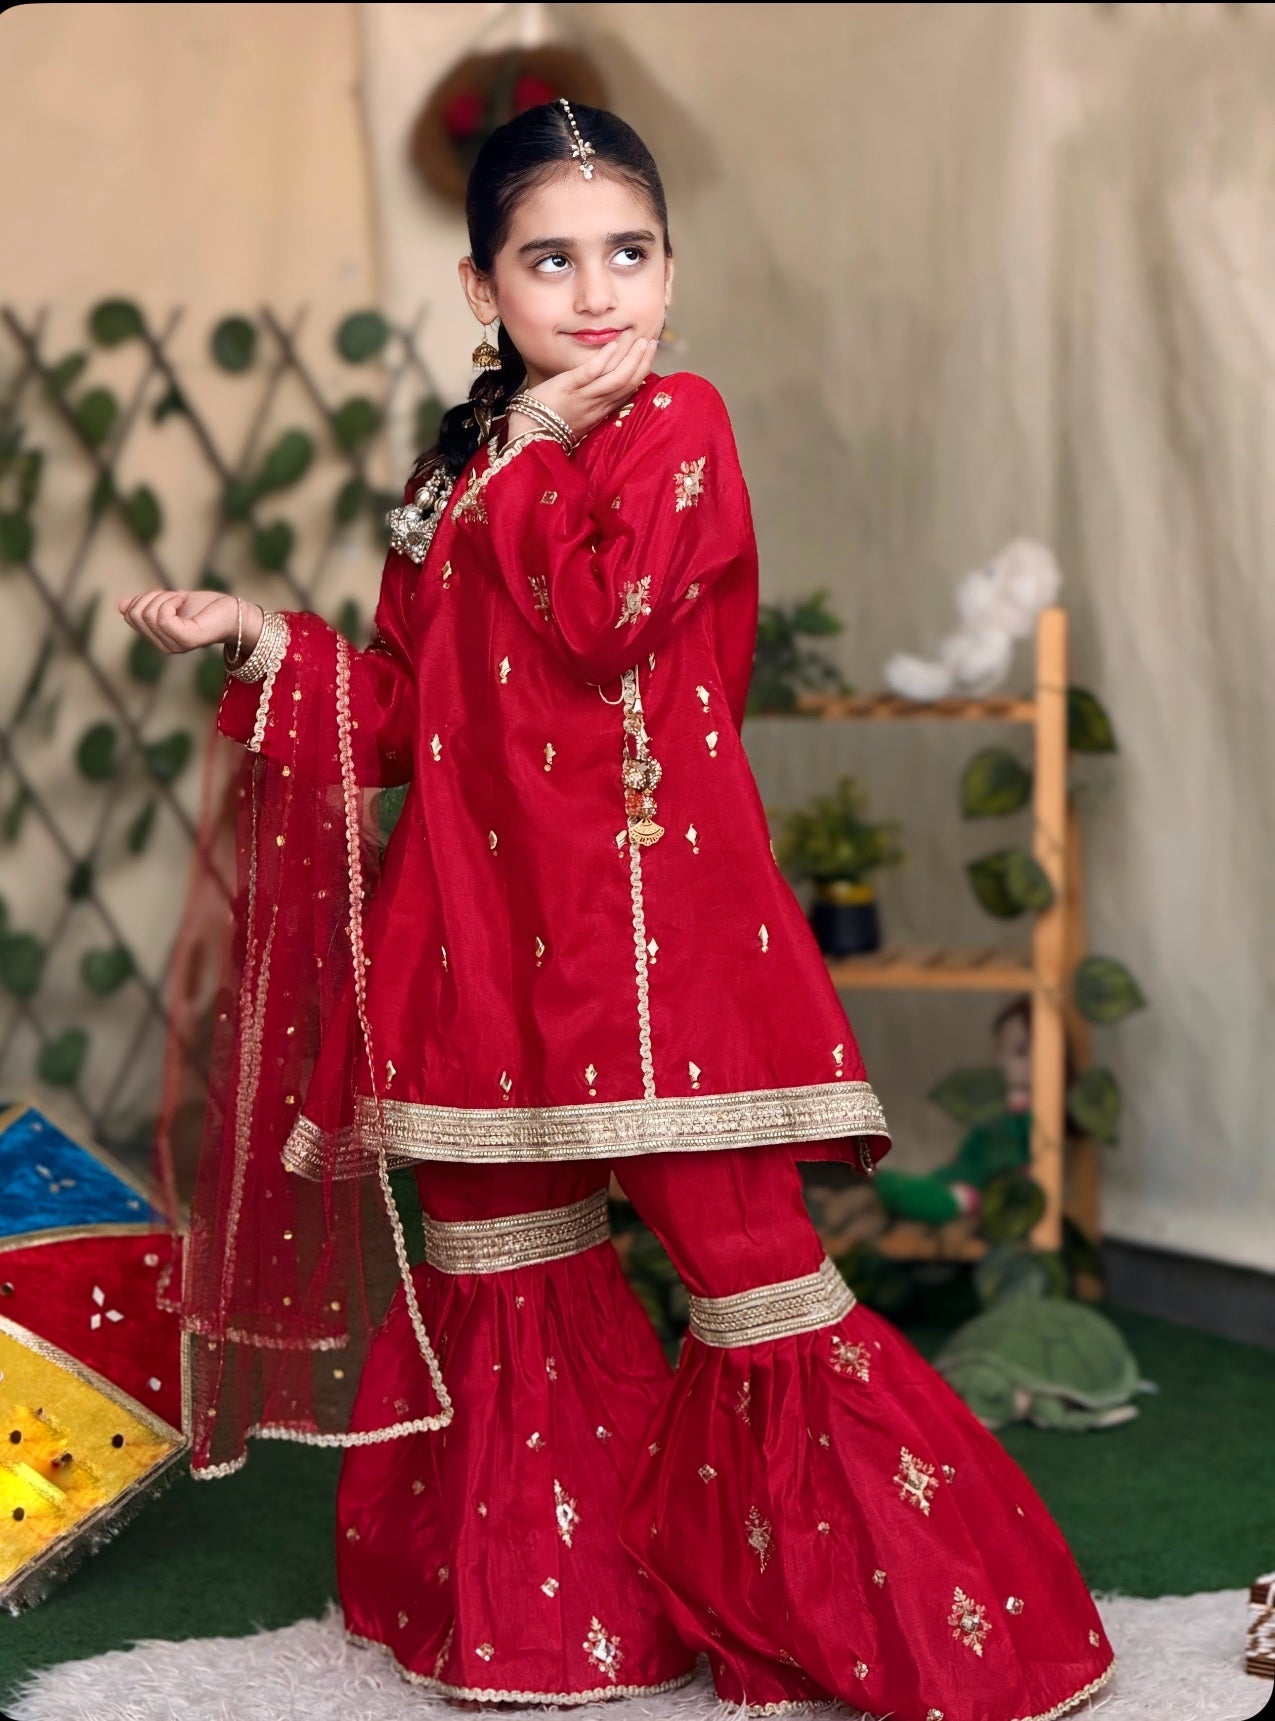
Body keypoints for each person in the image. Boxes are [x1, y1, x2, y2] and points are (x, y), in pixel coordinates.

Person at [120, 99, 1115, 1720]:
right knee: (505, 1274)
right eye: (551, 261)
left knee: (754, 1276)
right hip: (474, 942)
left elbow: (604, 614)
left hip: (653, 952)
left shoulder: (676, 427)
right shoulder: (457, 474)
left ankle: (945, 1639)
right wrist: (260, 637)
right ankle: (559, 1634)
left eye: (630, 252)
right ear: (480, 287)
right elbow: (405, 717)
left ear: (672, 267)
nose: (598, 294)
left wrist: (521, 456)